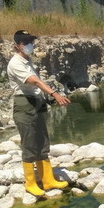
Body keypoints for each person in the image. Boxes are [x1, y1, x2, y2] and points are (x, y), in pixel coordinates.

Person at [7, 30, 71, 197]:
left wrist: (47, 98)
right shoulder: (16, 63)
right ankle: (30, 183)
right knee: (29, 144)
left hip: (36, 103)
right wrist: (54, 94)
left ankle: (48, 180)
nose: (30, 45)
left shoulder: (27, 61)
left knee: (42, 143)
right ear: (17, 45)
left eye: (31, 41)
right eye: (25, 42)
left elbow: (36, 86)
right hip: (24, 105)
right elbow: (34, 81)